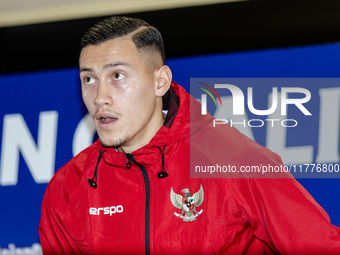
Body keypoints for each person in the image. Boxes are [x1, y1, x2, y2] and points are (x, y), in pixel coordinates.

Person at [39, 16, 340, 254]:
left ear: (160, 82)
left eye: (117, 76)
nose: (100, 97)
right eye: (89, 79)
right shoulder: (66, 190)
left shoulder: (237, 161)